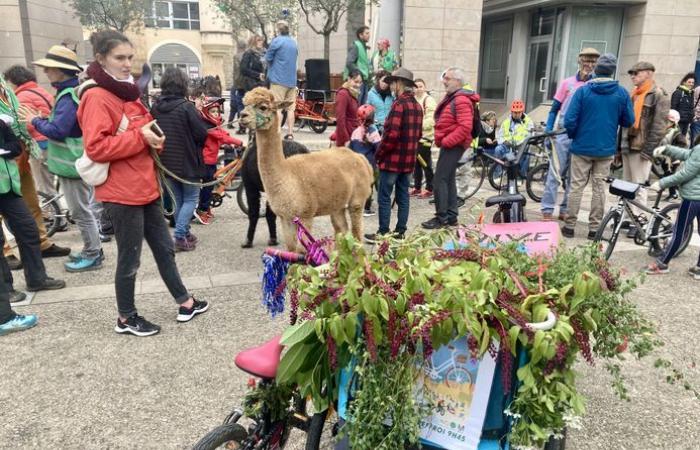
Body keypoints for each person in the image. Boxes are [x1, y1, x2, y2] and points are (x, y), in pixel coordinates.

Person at [77, 30, 208, 337]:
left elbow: (145, 130)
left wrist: (153, 139)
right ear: (101, 59)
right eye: (119, 58)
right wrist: (141, 137)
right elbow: (96, 147)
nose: (126, 64)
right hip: (122, 192)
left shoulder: (127, 92)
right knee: (130, 256)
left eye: (130, 58)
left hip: (145, 186)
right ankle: (125, 317)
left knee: (164, 248)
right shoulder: (97, 96)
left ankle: (185, 301)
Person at [17, 45, 104, 273]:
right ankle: (92, 250)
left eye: (49, 69)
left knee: (80, 211)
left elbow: (58, 130)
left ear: (59, 71)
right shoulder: (71, 92)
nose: (46, 73)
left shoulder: (67, 96)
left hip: (71, 165)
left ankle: (93, 253)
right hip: (75, 162)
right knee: (84, 209)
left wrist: (35, 121)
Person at [0, 75, 70, 271]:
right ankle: (6, 252)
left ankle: (42, 243)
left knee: (31, 202)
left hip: (20, 150)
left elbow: (18, 118)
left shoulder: (7, 89)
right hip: (5, 156)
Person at [561, 53, 635, 239]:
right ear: (612, 71)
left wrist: (575, 135)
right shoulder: (621, 93)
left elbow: (569, 120)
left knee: (576, 187)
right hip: (605, 149)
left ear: (596, 69)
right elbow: (629, 120)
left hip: (581, 147)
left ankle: (569, 226)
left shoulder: (583, 91)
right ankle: (594, 229)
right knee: (599, 188)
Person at [0, 114, 66, 293]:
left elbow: (15, 147)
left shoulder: (1, 122)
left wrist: (3, 150)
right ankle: (5, 292)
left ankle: (37, 279)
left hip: (8, 188)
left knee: (28, 229)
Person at [150, 68, 209, 251]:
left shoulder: (155, 108)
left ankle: (185, 232)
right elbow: (201, 134)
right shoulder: (186, 107)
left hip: (166, 162)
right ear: (183, 84)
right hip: (187, 162)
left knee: (178, 200)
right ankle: (179, 235)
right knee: (191, 199)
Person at [541, 48, 600, 222]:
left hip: (582, 135)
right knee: (555, 172)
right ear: (579, 61)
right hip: (563, 133)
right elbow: (554, 109)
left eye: (592, 62)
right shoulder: (567, 83)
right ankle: (547, 209)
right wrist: (548, 131)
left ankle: (565, 209)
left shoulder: (596, 84)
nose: (589, 65)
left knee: (575, 177)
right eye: (586, 61)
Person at [365, 68, 422, 241]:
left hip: (392, 162)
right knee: (403, 196)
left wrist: (379, 154)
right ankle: (400, 232)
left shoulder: (398, 105)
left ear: (399, 84)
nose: (390, 86)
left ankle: (383, 232)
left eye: (393, 83)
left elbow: (391, 135)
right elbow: (418, 135)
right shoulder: (417, 106)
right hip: (408, 162)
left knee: (384, 197)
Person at [421, 67, 478, 230]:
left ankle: (441, 218)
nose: (444, 81)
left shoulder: (461, 100)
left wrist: (446, 141)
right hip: (453, 144)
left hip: (454, 145)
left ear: (458, 81)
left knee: (439, 180)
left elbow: (465, 127)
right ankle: (451, 216)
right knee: (449, 179)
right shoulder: (455, 98)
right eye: (444, 78)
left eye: (448, 78)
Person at [620, 61, 670, 238]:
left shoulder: (658, 94)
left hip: (642, 148)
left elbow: (659, 126)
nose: (633, 76)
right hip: (628, 145)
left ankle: (640, 220)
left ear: (649, 73)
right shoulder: (633, 94)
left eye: (637, 73)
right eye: (632, 73)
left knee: (639, 186)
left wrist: (648, 151)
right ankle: (627, 217)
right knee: (626, 185)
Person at [644, 137, 700, 277]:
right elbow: (688, 154)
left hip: (693, 198)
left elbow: (685, 173)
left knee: (678, 232)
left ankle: (663, 263)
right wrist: (667, 149)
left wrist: (662, 183)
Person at [2, 65, 56, 197]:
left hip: (39, 144)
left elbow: (26, 125)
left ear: (14, 80)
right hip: (52, 141)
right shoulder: (40, 90)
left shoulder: (21, 96)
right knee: (49, 180)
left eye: (7, 82)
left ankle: (50, 214)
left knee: (43, 184)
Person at [194, 97, 241, 225]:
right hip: (206, 161)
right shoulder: (207, 126)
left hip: (211, 160)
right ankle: (202, 210)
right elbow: (220, 136)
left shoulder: (214, 125)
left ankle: (206, 206)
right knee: (207, 187)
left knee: (210, 185)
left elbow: (223, 134)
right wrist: (238, 142)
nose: (216, 114)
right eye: (213, 111)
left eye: (217, 111)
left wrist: (231, 140)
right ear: (206, 112)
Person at [265, 20, 298, 140]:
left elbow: (268, 58)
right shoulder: (293, 43)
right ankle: (290, 133)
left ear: (278, 30)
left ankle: (277, 132)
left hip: (278, 80)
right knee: (290, 109)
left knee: (277, 107)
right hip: (292, 81)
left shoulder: (276, 41)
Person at [348, 104, 381, 216]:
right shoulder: (373, 132)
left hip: (357, 164)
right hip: (369, 164)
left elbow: (350, 149)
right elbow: (378, 148)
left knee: (357, 185)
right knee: (369, 185)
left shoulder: (355, 132)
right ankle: (366, 208)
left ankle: (354, 205)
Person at [494, 99, 534, 178]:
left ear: (522, 112)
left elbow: (531, 136)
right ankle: (498, 174)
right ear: (511, 112)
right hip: (508, 146)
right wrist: (504, 141)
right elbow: (500, 135)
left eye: (518, 112)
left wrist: (521, 144)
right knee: (498, 149)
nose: (516, 114)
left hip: (521, 147)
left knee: (527, 151)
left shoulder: (528, 122)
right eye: (514, 112)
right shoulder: (506, 122)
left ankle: (520, 176)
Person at [411, 78, 436, 198]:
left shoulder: (429, 100)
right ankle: (417, 187)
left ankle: (430, 189)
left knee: (425, 163)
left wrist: (417, 127)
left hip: (425, 137)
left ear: (424, 87)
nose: (418, 89)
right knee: (416, 164)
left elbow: (431, 119)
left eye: (421, 86)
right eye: (416, 86)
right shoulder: (414, 99)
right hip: (415, 137)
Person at [333, 69, 362, 147]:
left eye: (360, 82)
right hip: (345, 139)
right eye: (356, 81)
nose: (358, 85)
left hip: (353, 135)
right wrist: (346, 139)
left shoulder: (354, 94)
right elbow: (340, 119)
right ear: (349, 79)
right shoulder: (343, 94)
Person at [345, 26, 371, 104]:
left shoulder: (363, 47)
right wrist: (358, 75)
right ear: (360, 35)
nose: (369, 35)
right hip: (357, 81)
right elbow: (349, 62)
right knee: (356, 106)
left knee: (361, 107)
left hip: (363, 81)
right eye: (367, 33)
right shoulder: (355, 45)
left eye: (369, 33)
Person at [227, 39, 248, 133]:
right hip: (248, 84)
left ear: (238, 46)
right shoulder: (248, 55)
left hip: (240, 85)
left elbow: (236, 72)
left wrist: (235, 85)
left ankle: (242, 127)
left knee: (240, 107)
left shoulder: (236, 56)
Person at [670, 72, 695, 136]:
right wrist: (674, 122)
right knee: (676, 140)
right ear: (684, 82)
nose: (691, 84)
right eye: (689, 82)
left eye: (693, 82)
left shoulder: (690, 93)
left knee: (682, 140)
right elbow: (673, 108)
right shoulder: (678, 93)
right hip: (678, 123)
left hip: (686, 122)